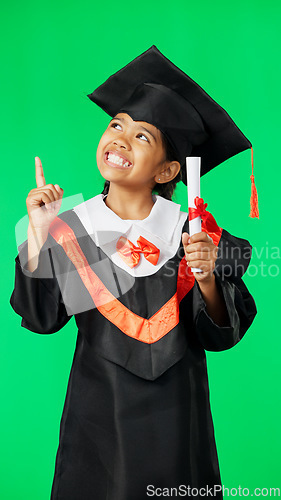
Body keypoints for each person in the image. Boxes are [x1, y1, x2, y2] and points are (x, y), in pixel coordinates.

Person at [10, 46, 257, 500]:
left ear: (167, 169)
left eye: (143, 136)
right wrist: (39, 235)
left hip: (178, 418)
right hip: (97, 418)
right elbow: (42, 319)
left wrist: (205, 277)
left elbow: (220, 336)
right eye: (116, 125)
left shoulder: (193, 235)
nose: (121, 139)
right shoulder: (72, 229)